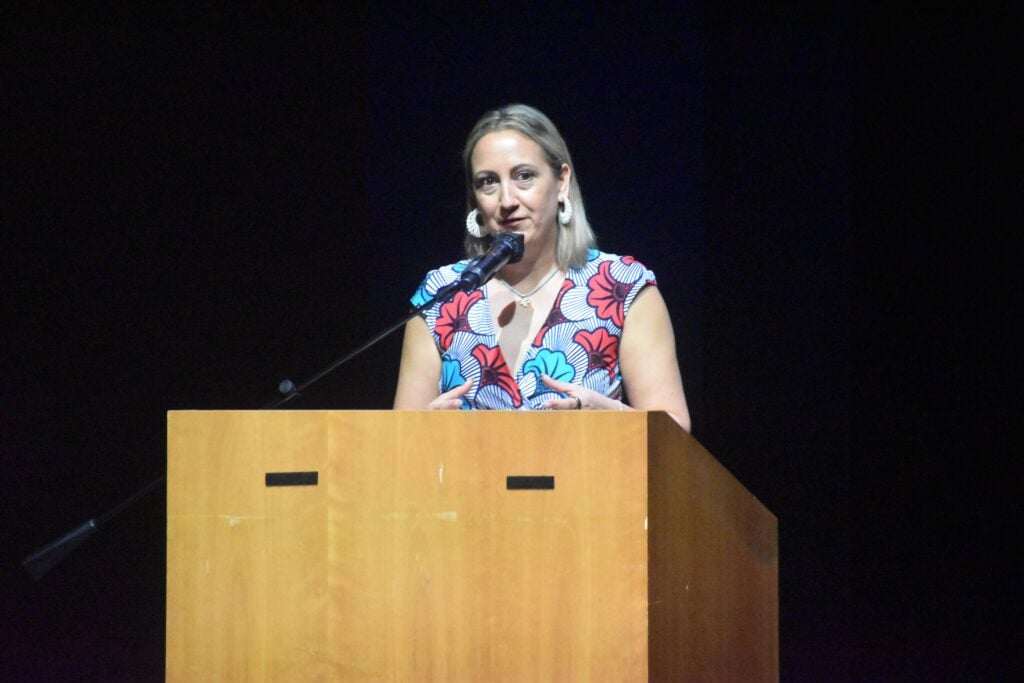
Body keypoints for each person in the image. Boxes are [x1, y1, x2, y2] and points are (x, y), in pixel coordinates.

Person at [394, 104, 691, 432]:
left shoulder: (622, 287)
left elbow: (675, 431)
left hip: (593, 482)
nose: (507, 200)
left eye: (524, 176)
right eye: (488, 182)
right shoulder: (442, 294)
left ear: (561, 181)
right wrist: (419, 430)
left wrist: (611, 417)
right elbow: (399, 440)